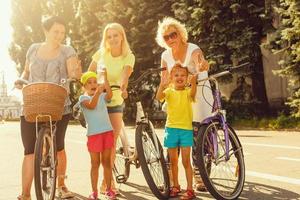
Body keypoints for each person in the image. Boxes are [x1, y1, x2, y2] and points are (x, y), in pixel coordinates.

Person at [15, 16, 81, 200]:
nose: (59, 36)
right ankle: (26, 194)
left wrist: (74, 74)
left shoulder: (67, 50)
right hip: (32, 103)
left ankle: (61, 185)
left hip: (58, 104)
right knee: (29, 151)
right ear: (45, 31)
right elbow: (26, 72)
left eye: (62, 32)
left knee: (59, 147)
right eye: (55, 32)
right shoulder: (33, 49)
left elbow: (72, 71)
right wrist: (21, 80)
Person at [156, 17, 213, 191]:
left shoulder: (193, 49)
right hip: (178, 98)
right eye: (166, 37)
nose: (170, 39)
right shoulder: (165, 56)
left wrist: (202, 65)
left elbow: (200, 62)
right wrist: (163, 91)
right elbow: (164, 79)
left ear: (180, 34)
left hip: (198, 93)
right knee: (175, 134)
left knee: (198, 135)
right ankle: (172, 179)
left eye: (173, 35)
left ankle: (200, 176)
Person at [88, 22, 135, 193]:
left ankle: (107, 181)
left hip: (115, 102)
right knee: (98, 144)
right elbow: (89, 74)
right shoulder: (101, 54)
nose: (113, 39)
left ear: (122, 36)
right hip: (99, 103)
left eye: (116, 35)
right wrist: (91, 88)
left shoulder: (128, 56)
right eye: (109, 36)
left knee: (110, 144)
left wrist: (122, 88)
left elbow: (125, 75)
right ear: (105, 39)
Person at [156, 63, 197, 200]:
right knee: (173, 161)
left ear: (187, 78)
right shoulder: (168, 91)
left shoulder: (187, 92)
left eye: (183, 75)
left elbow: (193, 93)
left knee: (186, 161)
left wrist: (193, 83)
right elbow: (158, 97)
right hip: (171, 129)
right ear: (171, 77)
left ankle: (190, 189)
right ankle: (176, 186)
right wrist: (162, 84)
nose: (180, 77)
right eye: (176, 75)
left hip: (186, 130)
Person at [79, 71, 116, 200]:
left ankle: (109, 189)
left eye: (95, 81)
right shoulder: (83, 98)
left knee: (106, 162)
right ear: (84, 87)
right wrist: (98, 92)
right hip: (94, 135)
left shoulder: (101, 95)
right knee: (95, 163)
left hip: (107, 132)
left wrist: (105, 78)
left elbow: (110, 94)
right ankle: (94, 192)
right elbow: (92, 105)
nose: (93, 84)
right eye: (89, 83)